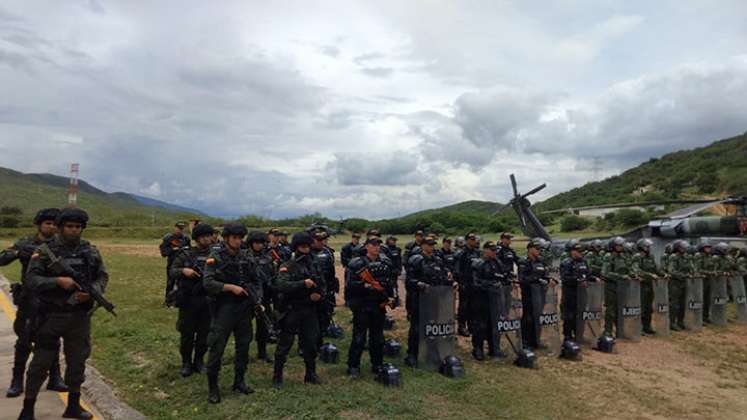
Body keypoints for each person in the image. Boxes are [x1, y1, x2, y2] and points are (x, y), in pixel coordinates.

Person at [19, 208, 108, 420]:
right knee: (41, 363)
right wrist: (57, 281)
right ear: (60, 227)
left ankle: (73, 406)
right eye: (69, 226)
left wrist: (92, 292)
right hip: (51, 316)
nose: (74, 231)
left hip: (79, 317)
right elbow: (31, 280)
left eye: (78, 227)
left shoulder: (91, 251)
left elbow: (102, 276)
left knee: (77, 362)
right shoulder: (45, 251)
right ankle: (28, 408)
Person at [0, 208, 68, 398]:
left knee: (52, 340)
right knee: (24, 340)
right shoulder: (26, 243)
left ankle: (55, 377)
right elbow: (2, 259)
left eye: (55, 224)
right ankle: (17, 380)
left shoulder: (61, 245)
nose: (52, 227)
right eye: (48, 223)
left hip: (53, 300)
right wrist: (18, 252)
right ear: (39, 225)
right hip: (30, 300)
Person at [202, 224, 262, 404]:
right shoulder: (215, 257)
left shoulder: (247, 256)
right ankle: (213, 388)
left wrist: (258, 300)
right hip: (224, 308)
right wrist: (229, 288)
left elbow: (257, 280)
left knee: (243, 346)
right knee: (217, 348)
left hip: (244, 308)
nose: (238, 241)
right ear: (226, 238)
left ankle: (239, 381)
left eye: (240, 238)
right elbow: (208, 283)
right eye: (234, 237)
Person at [272, 232, 326, 388]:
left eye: (308, 246)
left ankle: (310, 374)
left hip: (309, 309)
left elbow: (322, 283)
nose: (306, 249)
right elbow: (281, 286)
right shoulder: (287, 265)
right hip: (292, 310)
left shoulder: (314, 264)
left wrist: (319, 294)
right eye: (303, 246)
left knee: (310, 343)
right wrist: (303, 283)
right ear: (296, 247)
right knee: (284, 344)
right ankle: (277, 375)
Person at [169, 223, 215, 377]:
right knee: (187, 334)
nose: (207, 239)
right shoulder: (186, 254)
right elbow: (172, 271)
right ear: (197, 238)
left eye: (209, 236)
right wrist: (184, 270)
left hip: (207, 300)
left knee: (204, 335)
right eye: (203, 236)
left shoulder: (216, 255)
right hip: (188, 300)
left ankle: (199, 361)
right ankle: (186, 363)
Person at [345, 237, 394, 377]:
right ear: (366, 246)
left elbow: (389, 283)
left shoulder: (385, 262)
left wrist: (391, 298)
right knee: (359, 338)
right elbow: (350, 285)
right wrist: (365, 285)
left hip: (378, 305)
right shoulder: (357, 263)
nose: (376, 247)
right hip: (362, 305)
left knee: (378, 338)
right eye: (373, 244)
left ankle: (377, 364)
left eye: (378, 244)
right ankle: (353, 366)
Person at [404, 235, 453, 367]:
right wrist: (420, 284)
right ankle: (412, 355)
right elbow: (409, 281)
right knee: (416, 328)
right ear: (423, 245)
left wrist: (450, 282)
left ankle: (431, 352)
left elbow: (442, 277)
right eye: (429, 244)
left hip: (434, 299)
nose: (431, 247)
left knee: (433, 326)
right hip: (419, 299)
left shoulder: (437, 259)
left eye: (433, 244)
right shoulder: (416, 259)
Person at [470, 241, 507, 360]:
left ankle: (494, 348)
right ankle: (478, 349)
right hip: (481, 299)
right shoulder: (478, 263)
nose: (495, 252)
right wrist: (491, 284)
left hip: (495, 298)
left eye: (495, 250)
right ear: (485, 250)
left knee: (494, 323)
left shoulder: (497, 262)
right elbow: (475, 283)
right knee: (480, 324)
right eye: (492, 250)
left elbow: (503, 276)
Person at [246, 231, 276, 363]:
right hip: (248, 297)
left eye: (261, 243)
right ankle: (243, 353)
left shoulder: (268, 258)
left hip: (264, 297)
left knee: (263, 326)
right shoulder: (244, 257)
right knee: (245, 327)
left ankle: (262, 352)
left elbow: (272, 276)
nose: (259, 245)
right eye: (256, 243)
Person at [518, 238, 550, 350]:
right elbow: (522, 279)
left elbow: (545, 275)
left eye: (540, 249)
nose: (539, 251)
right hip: (528, 293)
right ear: (530, 249)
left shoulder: (540, 261)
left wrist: (549, 280)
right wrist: (535, 279)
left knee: (538, 317)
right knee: (528, 317)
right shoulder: (524, 261)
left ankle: (536, 340)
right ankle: (525, 341)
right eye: (536, 249)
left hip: (540, 293)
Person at [631, 238, 664, 335]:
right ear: (642, 247)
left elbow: (656, 269)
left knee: (649, 307)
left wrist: (663, 274)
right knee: (641, 307)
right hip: (640, 285)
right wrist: (650, 275)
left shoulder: (651, 257)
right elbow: (636, 270)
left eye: (649, 246)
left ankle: (647, 326)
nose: (649, 248)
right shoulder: (637, 257)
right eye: (647, 246)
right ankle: (638, 327)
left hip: (649, 285)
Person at [559, 240, 590, 342]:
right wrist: (578, 280)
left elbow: (588, 274)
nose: (580, 252)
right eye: (577, 250)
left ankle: (579, 334)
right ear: (572, 252)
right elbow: (565, 278)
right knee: (569, 315)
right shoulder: (566, 263)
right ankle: (568, 336)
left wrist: (594, 279)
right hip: (569, 293)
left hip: (581, 294)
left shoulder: (583, 262)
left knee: (580, 314)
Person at [310, 230, 337, 343]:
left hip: (325, 289)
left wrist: (331, 289)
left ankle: (319, 342)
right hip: (310, 291)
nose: (322, 242)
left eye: (323, 240)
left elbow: (331, 272)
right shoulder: (306, 252)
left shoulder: (327, 252)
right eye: (318, 240)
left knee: (323, 317)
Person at [454, 232, 481, 337]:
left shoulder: (477, 253)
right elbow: (457, 269)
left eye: (475, 239)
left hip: (474, 284)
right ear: (467, 240)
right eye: (472, 239)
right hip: (465, 283)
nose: (475, 241)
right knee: (463, 307)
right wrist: (460, 282)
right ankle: (461, 327)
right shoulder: (461, 253)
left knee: (473, 306)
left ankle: (471, 326)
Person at [601, 237, 628, 337]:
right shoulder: (608, 256)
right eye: (618, 245)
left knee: (620, 308)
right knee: (610, 309)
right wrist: (621, 277)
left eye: (621, 245)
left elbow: (626, 269)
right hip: (610, 286)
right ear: (613, 246)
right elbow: (605, 273)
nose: (621, 247)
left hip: (621, 286)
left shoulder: (622, 257)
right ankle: (607, 330)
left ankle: (619, 330)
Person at [160, 222, 191, 303]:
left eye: (182, 228)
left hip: (183, 264)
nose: (180, 230)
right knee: (170, 283)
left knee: (182, 283)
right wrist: (173, 249)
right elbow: (163, 252)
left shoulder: (186, 239)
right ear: (175, 228)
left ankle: (180, 300)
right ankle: (168, 301)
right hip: (172, 264)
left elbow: (190, 251)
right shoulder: (168, 238)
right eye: (178, 228)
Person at [667, 240, 692, 331]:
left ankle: (680, 322)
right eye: (682, 248)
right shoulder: (674, 257)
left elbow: (690, 268)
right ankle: (672, 323)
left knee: (682, 304)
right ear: (677, 248)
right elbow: (672, 271)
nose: (684, 249)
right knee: (674, 304)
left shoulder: (686, 257)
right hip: (675, 283)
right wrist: (683, 275)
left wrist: (692, 273)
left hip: (684, 283)